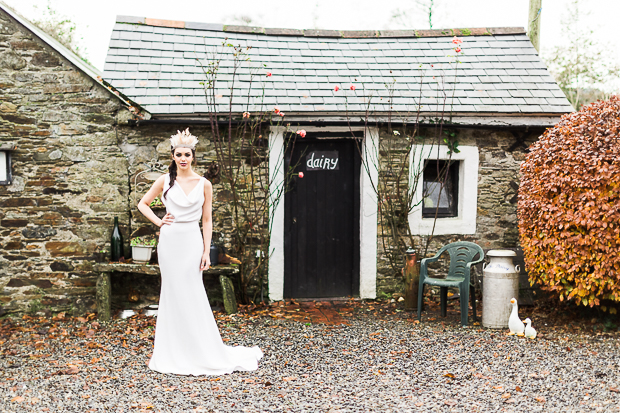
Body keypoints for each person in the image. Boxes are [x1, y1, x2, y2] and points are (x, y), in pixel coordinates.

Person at [137, 128, 263, 375]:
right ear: (173, 156)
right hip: (170, 241)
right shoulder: (164, 181)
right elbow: (142, 203)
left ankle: (200, 348)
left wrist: (206, 251)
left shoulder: (204, 184)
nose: (182, 158)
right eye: (178, 154)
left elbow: (207, 220)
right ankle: (172, 351)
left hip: (192, 241)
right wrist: (159, 221)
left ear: (193, 156)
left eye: (187, 154)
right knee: (172, 292)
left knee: (192, 291)